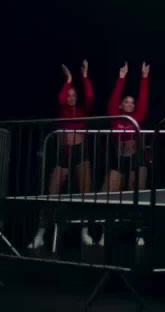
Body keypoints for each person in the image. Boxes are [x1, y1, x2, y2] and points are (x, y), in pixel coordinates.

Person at [29, 60, 94, 250]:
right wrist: (69, 80)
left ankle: (84, 232)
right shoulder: (62, 110)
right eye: (69, 95)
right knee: (51, 194)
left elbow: (90, 97)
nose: (70, 98)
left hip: (81, 152)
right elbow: (60, 98)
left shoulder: (82, 112)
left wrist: (85, 76)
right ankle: (40, 234)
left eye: (73, 95)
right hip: (63, 154)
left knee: (86, 194)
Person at [95, 61, 149, 247]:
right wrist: (121, 78)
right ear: (120, 105)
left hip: (137, 159)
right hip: (118, 160)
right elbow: (113, 100)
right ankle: (104, 232)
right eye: (126, 101)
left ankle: (138, 232)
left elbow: (143, 101)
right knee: (108, 194)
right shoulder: (115, 116)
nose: (130, 104)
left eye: (132, 102)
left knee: (138, 196)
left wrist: (144, 78)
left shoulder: (138, 117)